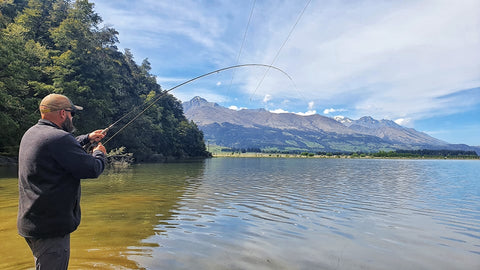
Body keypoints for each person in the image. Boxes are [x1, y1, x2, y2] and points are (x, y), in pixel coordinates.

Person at [17, 93, 107, 269]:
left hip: (32, 222)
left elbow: (65, 145)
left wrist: (87, 138)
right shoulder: (59, 138)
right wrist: (99, 153)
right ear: (62, 114)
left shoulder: (33, 133)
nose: (72, 117)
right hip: (50, 229)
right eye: (72, 113)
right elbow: (92, 168)